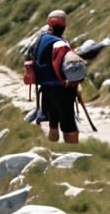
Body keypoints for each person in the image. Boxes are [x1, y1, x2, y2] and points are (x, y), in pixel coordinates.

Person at [32, 9, 80, 144]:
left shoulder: (41, 39)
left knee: (53, 125)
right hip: (62, 89)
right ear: (64, 25)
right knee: (69, 125)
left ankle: (53, 149)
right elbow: (66, 67)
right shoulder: (60, 44)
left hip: (45, 89)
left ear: (49, 24)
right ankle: (74, 155)